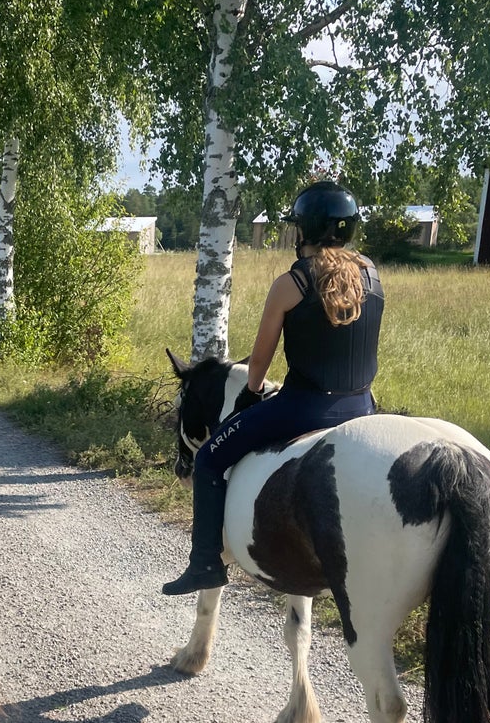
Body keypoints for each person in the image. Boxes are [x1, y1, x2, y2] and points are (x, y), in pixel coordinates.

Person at [163, 180, 384, 595]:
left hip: (303, 408)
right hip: (363, 408)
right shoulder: (370, 275)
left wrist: (251, 393)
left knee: (208, 459)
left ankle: (205, 563)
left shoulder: (291, 284)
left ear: (304, 229)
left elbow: (259, 363)